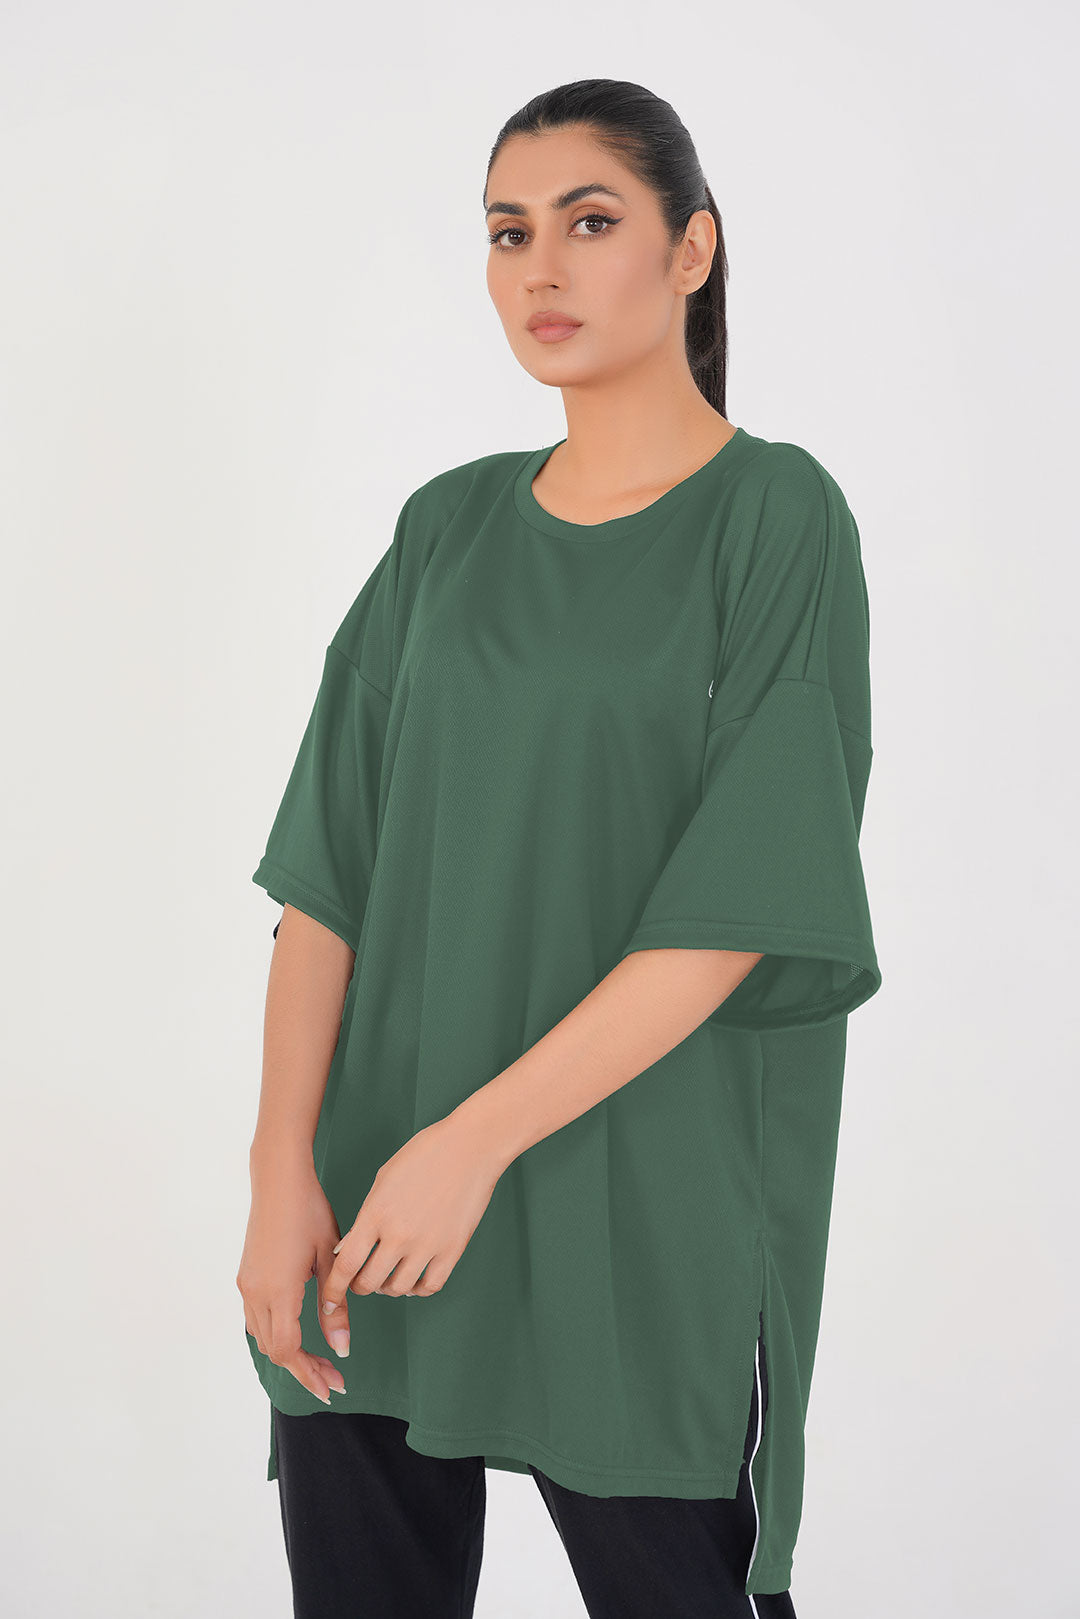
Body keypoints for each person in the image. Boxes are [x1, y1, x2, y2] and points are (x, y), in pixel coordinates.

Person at [236, 77, 881, 1619]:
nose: (541, 267)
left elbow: (738, 906)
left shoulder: (773, 518)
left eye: (589, 222)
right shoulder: (446, 530)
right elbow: (328, 878)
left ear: (690, 249)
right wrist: (278, 1169)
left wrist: (471, 1147)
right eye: (508, 231)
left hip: (633, 1206)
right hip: (374, 1204)